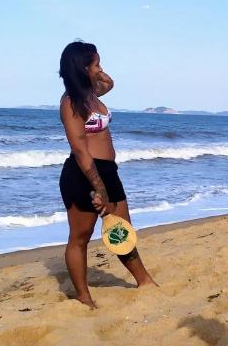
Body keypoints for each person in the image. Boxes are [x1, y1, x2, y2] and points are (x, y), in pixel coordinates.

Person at [58, 41, 155, 309]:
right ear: (82, 67)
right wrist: (98, 190)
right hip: (83, 174)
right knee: (81, 236)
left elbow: (109, 83)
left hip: (108, 171)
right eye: (96, 64)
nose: (102, 69)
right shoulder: (72, 103)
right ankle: (84, 296)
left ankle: (144, 279)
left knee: (122, 230)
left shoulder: (92, 95)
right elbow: (80, 151)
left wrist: (96, 71)